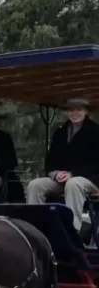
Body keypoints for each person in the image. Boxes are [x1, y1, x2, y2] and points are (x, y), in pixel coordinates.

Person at [27, 96, 99, 240]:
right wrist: (55, 173)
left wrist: (73, 174)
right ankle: (35, 230)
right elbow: (50, 160)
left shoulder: (95, 132)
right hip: (64, 179)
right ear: (67, 113)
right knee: (35, 185)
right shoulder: (60, 132)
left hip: (91, 179)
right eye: (71, 110)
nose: (75, 113)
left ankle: (72, 233)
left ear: (86, 111)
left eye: (78, 109)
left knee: (74, 183)